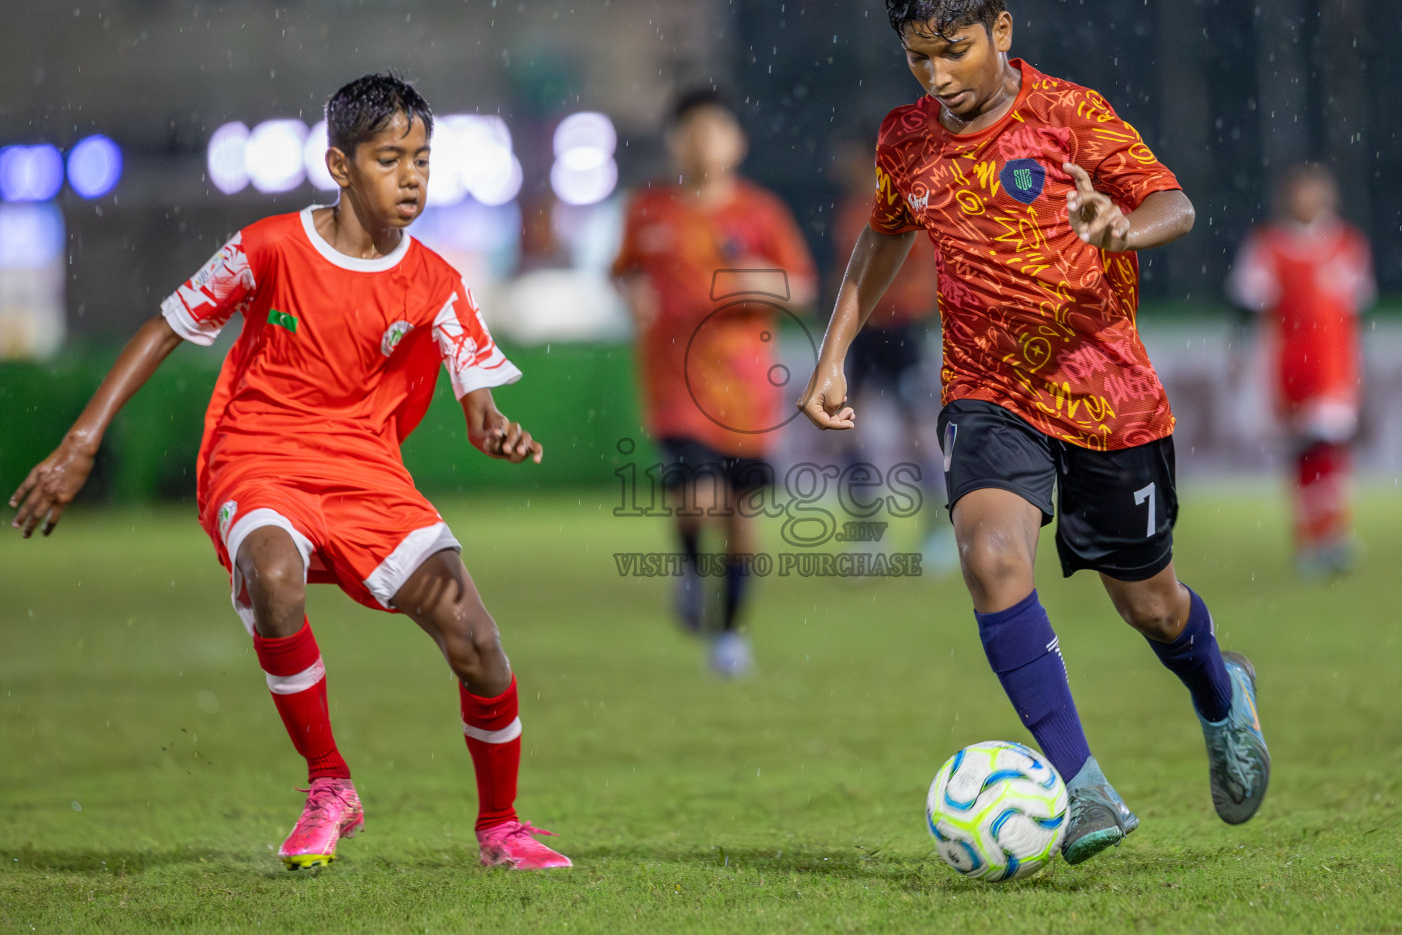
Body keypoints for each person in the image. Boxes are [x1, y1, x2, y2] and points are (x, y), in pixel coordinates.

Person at [7, 74, 570, 872]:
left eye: (422, 159)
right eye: (389, 159)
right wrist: (80, 444)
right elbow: (165, 328)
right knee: (273, 574)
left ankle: (502, 827)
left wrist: (496, 428)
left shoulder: (436, 283)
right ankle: (329, 786)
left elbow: (478, 408)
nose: (411, 176)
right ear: (339, 165)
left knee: (477, 642)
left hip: (365, 473)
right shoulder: (268, 246)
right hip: (258, 457)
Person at [798, 0, 1270, 865]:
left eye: (955, 50)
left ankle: (1223, 694)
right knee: (986, 552)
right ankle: (1081, 787)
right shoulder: (905, 140)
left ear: (1001, 29)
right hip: (987, 393)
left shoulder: (1068, 116)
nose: (936, 76)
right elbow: (885, 237)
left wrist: (1121, 227)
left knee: (1150, 606)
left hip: (1107, 401)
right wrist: (831, 354)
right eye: (918, 57)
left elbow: (1173, 202)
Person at [611, 88, 816, 677]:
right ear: (675, 141)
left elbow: (800, 286)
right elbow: (623, 273)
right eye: (691, 131)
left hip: (748, 391)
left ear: (736, 142)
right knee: (699, 498)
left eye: (714, 130)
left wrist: (756, 282)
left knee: (742, 518)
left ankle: (729, 634)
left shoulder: (760, 213)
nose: (702, 143)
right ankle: (691, 568)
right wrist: (634, 295)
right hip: (675, 384)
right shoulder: (649, 210)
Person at [1230, 163, 1374, 577]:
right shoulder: (1269, 246)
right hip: (1288, 368)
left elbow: (1358, 309)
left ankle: (1331, 535)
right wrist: (1239, 355)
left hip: (1334, 366)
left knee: (1328, 448)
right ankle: (1314, 540)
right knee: (1304, 453)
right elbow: (1247, 305)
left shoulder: (1347, 244)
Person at [829, 134, 954, 569]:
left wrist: (896, 298)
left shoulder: (904, 205)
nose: (838, 161)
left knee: (919, 434)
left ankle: (938, 534)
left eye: (845, 152)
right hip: (863, 335)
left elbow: (927, 273)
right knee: (847, 429)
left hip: (901, 333)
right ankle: (867, 537)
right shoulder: (848, 212)